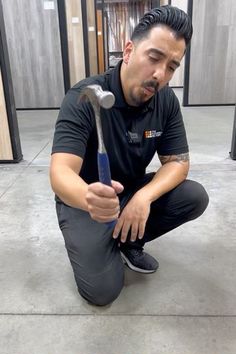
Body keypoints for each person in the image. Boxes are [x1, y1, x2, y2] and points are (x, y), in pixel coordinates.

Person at [50, 5, 209, 306]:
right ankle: (101, 241)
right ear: (128, 50)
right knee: (103, 292)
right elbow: (60, 173)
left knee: (193, 196)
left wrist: (143, 197)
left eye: (172, 66)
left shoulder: (165, 101)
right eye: (154, 57)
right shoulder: (84, 97)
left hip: (130, 190)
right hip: (84, 201)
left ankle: (128, 239)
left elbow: (178, 163)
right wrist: (89, 198)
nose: (160, 74)